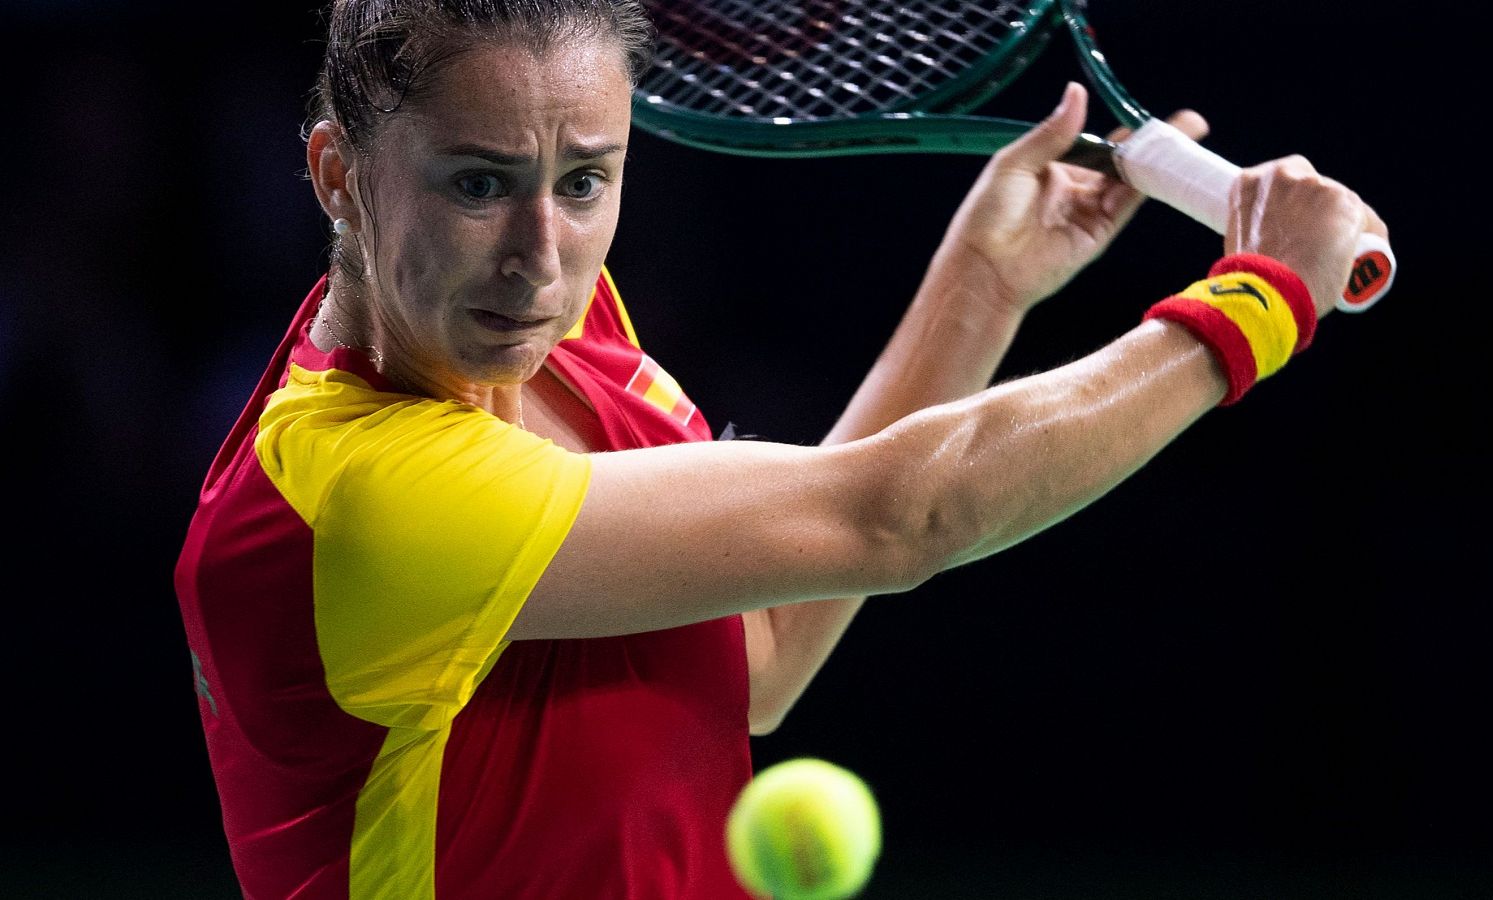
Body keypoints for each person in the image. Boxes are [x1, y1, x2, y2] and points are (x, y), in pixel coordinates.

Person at [172, 0, 1388, 897]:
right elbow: (894, 518)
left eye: (586, 181)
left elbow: (759, 654)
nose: (541, 257)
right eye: (479, 185)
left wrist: (980, 285)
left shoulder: (527, 327)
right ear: (338, 174)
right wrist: (1258, 300)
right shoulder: (365, 498)